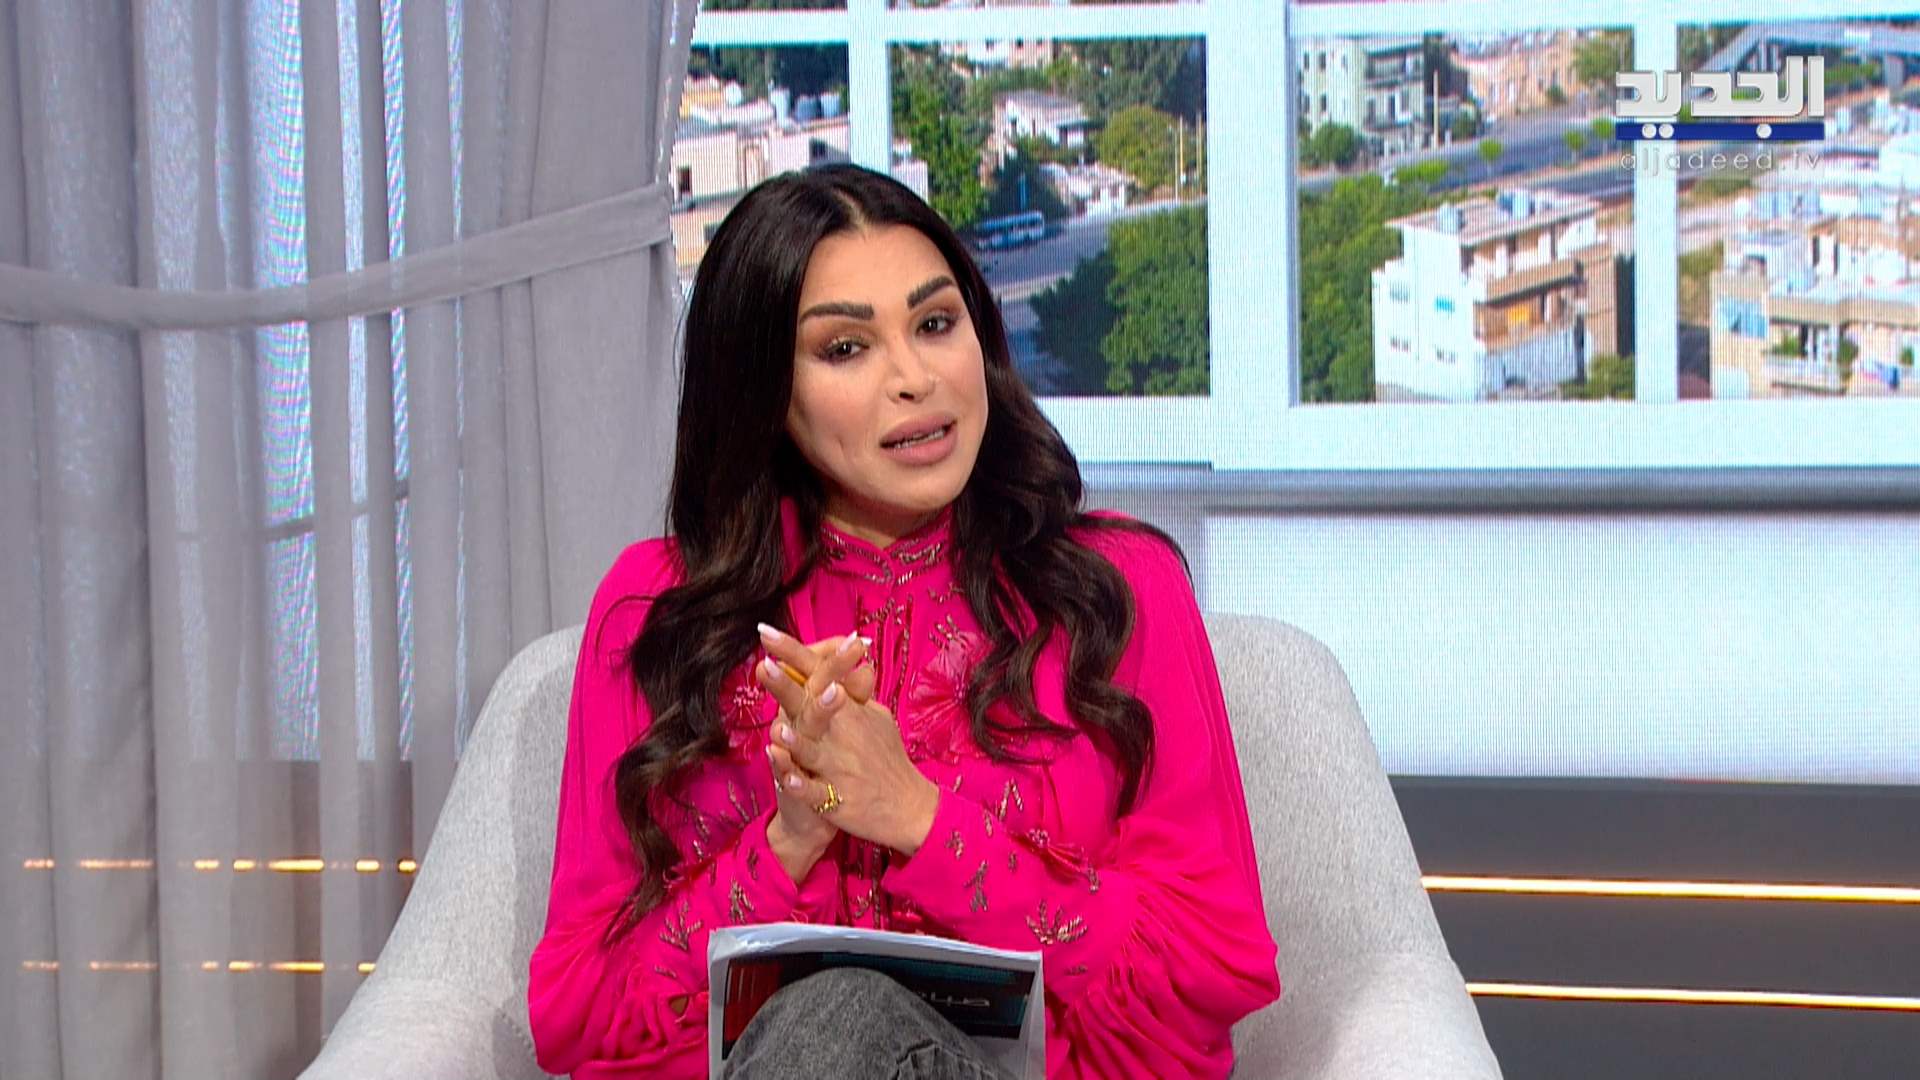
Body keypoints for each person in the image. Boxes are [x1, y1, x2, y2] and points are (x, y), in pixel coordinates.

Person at [527, 163, 1280, 1079]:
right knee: (832, 1022)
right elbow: (577, 1019)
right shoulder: (659, 611)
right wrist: (791, 838)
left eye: (934, 324)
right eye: (846, 348)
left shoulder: (1114, 589)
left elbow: (1209, 979)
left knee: (846, 1017)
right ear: (765, 390)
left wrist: (916, 815)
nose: (916, 379)